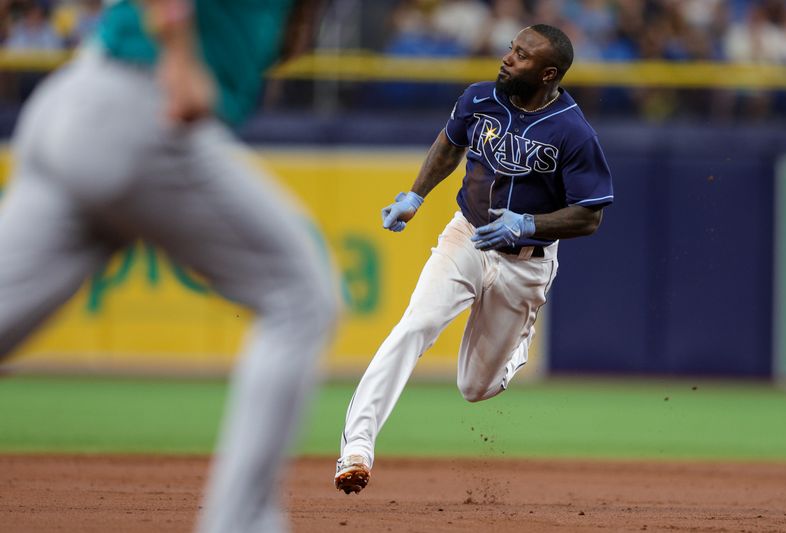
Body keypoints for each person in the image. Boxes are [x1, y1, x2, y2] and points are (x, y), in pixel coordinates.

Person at [0, 1, 337, 531]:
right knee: (301, 299)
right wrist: (178, 53)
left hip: (75, 101)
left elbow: (283, 37)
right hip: (144, 105)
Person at [335, 24, 614, 495]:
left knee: (475, 388)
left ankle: (516, 347)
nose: (508, 58)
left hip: (526, 262)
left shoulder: (572, 131)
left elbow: (589, 218)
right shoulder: (480, 98)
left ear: (548, 73)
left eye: (522, 56)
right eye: (511, 48)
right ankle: (356, 448)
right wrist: (415, 195)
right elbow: (450, 144)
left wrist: (527, 224)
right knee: (415, 324)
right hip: (466, 235)